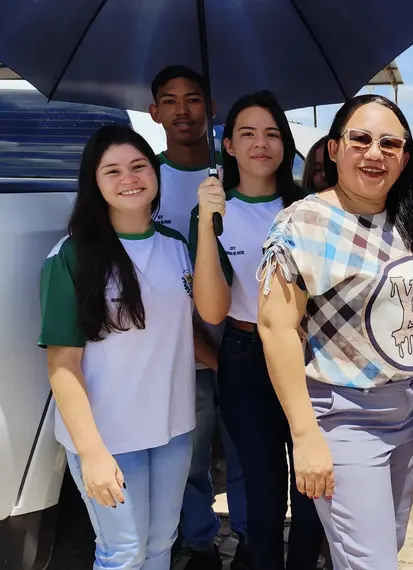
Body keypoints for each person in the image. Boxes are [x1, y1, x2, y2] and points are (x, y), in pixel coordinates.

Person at [257, 94, 413, 570]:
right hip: (344, 420)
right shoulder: (302, 222)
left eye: (390, 144)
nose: (375, 153)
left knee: (377, 552)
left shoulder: (405, 220)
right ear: (333, 149)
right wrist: (305, 435)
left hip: (409, 419)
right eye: (361, 139)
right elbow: (276, 329)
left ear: (405, 157)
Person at [39, 125, 195, 569]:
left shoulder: (177, 247)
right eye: (113, 170)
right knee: (124, 552)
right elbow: (62, 363)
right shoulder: (70, 256)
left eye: (138, 166)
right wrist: (91, 454)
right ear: (94, 182)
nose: (129, 178)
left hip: (173, 430)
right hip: (109, 437)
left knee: (162, 544)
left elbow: (186, 332)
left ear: (156, 172)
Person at [191, 90, 324, 570]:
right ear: (227, 145)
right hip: (245, 355)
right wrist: (208, 223)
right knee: (263, 497)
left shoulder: (309, 209)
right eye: (247, 133)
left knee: (312, 495)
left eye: (272, 134)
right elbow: (211, 309)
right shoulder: (213, 213)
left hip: (309, 355)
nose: (260, 143)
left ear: (286, 145)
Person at [148, 64, 247, 570]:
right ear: (154, 112)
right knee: (188, 451)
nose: (182, 111)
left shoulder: (235, 175)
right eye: (170, 100)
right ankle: (201, 541)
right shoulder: (145, 177)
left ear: (211, 108)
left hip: (243, 329)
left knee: (246, 446)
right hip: (176, 338)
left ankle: (253, 539)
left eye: (194, 99)